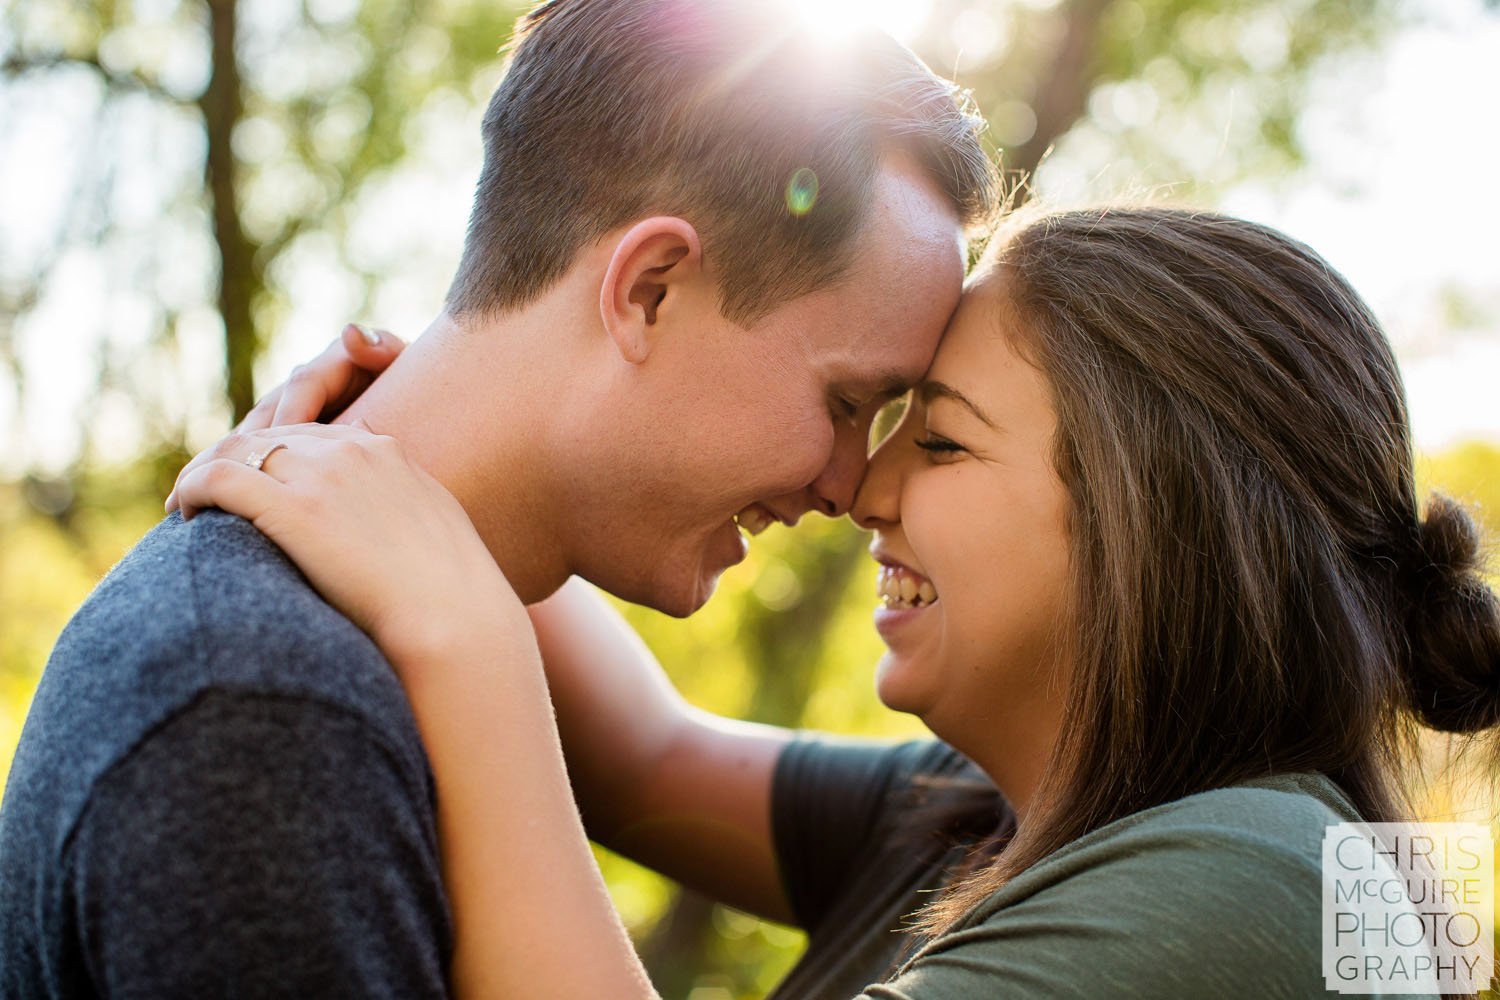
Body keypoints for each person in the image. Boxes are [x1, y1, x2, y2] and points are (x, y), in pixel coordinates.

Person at [173, 206, 1500, 998]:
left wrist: (456, 632)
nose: (862, 492)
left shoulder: (1269, 890)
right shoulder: (977, 817)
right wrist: (412, 449)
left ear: (1153, 518)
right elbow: (645, 759)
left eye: (942, 440)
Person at [0, 1, 996, 995]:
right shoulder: (267, 717)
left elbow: (651, 754)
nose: (851, 482)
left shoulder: (323, 662)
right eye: (846, 400)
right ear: (650, 288)